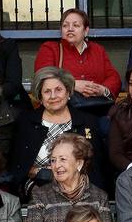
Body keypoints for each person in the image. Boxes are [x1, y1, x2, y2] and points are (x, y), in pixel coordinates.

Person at [12, 66, 105, 195]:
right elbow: (19, 166)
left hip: (80, 188)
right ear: (40, 96)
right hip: (38, 188)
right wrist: (39, 174)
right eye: (47, 91)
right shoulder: (26, 122)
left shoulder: (88, 121)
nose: (53, 96)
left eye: (58, 90)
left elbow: (96, 166)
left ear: (68, 92)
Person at [23, 132, 113, 222]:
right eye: (53, 160)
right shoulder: (40, 196)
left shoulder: (99, 197)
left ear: (79, 163)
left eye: (62, 159)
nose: (56, 165)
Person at [33, 7, 121, 106]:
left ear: (86, 30)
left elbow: (114, 77)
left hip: (96, 107)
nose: (70, 29)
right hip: (64, 109)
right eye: (65, 25)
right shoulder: (50, 48)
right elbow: (43, 77)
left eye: (76, 25)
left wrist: (102, 89)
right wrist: (72, 84)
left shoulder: (97, 50)